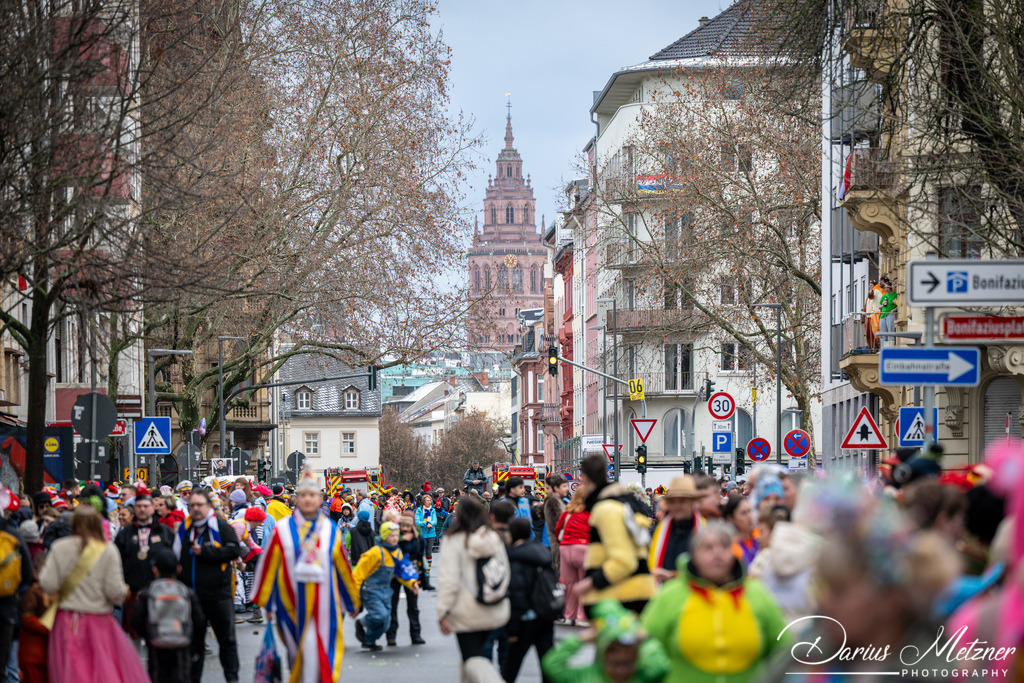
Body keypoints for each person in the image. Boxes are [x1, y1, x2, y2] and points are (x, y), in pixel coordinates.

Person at [641, 521, 787, 683]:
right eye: (708, 548)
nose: (717, 553)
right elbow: (645, 645)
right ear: (694, 555)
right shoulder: (671, 595)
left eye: (724, 546)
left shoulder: (757, 593)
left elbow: (783, 647)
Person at [252, 470, 357, 679]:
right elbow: (270, 565)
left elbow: (342, 568)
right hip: (290, 605)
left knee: (324, 655)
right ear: (296, 499)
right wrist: (267, 603)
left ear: (319, 499)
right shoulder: (281, 529)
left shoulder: (329, 529)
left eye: (312, 495)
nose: (308, 499)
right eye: (303, 495)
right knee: (299, 655)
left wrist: (351, 602)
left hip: (325, 606)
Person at [39, 505, 148, 681]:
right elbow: (115, 593)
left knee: (69, 672)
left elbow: (47, 583)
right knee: (100, 672)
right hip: (99, 621)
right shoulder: (108, 550)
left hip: (66, 621)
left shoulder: (59, 547)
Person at [435, 495, 511, 676]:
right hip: (495, 607)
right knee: (473, 662)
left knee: (473, 660)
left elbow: (449, 580)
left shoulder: (453, 540)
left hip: (466, 612)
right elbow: (505, 571)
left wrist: (442, 612)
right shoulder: (494, 537)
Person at [174, 488, 242, 682]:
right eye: (192, 505)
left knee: (227, 641)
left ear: (208, 506)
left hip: (218, 596)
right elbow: (175, 555)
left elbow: (233, 551)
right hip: (191, 597)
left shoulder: (221, 527)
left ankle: (232, 678)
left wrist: (205, 552)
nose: (195, 509)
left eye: (199, 505)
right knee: (193, 645)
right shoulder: (184, 529)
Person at [574, 454, 655, 616]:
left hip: (622, 600)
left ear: (585, 479)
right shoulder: (624, 503)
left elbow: (624, 561)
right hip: (633, 596)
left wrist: (590, 583)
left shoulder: (606, 508)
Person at [542, 600, 670, 683]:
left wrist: (644, 641)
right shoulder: (588, 677)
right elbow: (552, 665)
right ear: (603, 657)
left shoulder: (641, 677)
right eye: (614, 663)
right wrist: (579, 639)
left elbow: (661, 666)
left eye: (628, 663)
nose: (621, 670)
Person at [131, 547, 204, 683]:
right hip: (182, 643)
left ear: (155, 569)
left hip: (157, 644)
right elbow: (199, 620)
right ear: (178, 569)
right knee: (181, 675)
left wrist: (149, 635)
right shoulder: (185, 591)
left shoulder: (148, 592)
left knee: (158, 675)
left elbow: (137, 620)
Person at [114, 492, 175, 638]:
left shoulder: (165, 531)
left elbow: (174, 558)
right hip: (133, 590)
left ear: (153, 508)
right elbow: (117, 560)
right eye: (139, 506)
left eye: (146, 506)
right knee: (134, 633)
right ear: (134, 508)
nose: (142, 509)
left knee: (159, 633)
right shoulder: (125, 534)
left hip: (160, 589)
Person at [351, 520, 419, 651]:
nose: (394, 538)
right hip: (371, 590)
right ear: (384, 536)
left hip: (386, 591)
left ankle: (369, 640)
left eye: (396, 535)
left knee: (386, 623)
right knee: (380, 616)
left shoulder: (397, 552)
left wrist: (411, 583)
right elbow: (358, 574)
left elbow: (401, 573)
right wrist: (355, 594)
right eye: (391, 535)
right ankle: (362, 622)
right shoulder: (375, 552)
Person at [503, 517, 555, 682]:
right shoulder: (542, 552)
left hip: (525, 618)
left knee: (511, 666)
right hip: (545, 613)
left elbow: (517, 594)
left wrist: (512, 629)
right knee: (548, 663)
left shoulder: (516, 557)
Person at [648, 476, 705, 584]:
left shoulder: (706, 531)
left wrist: (672, 576)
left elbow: (710, 571)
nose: (677, 506)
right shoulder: (658, 531)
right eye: (673, 502)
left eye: (682, 501)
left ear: (692, 502)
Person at [387, 513, 425, 647]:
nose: (405, 528)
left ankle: (416, 635)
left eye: (408, 526)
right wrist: (403, 538)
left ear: (412, 526)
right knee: (393, 604)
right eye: (402, 525)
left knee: (413, 606)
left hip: (411, 573)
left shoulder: (418, 538)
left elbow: (421, 552)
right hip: (395, 574)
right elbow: (383, 541)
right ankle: (391, 636)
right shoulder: (395, 536)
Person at [555, 488, 590, 626]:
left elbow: (558, 529)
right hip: (583, 547)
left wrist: (563, 544)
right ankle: (582, 617)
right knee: (583, 583)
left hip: (565, 547)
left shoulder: (567, 512)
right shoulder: (590, 512)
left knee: (569, 585)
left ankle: (569, 615)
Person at [19, 554, 49, 683]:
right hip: (32, 653)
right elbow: (27, 619)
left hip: (46, 654)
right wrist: (49, 626)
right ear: (35, 574)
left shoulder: (53, 593)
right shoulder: (33, 593)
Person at [722, 493, 760, 568]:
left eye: (750, 511)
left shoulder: (761, 535)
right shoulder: (730, 547)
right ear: (730, 519)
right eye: (743, 513)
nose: (749, 517)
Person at [415, 492, 437, 590]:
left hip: (431, 533)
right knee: (422, 553)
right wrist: (426, 523)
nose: (430, 501)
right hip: (423, 533)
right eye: (428, 500)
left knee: (429, 552)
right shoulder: (419, 510)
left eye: (430, 500)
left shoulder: (433, 510)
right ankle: (422, 570)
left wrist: (431, 523)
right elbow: (417, 521)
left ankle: (428, 570)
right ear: (424, 501)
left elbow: (435, 521)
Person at [879, 277, 898, 346]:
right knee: (882, 334)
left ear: (890, 288)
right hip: (883, 315)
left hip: (890, 314)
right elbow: (879, 306)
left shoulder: (895, 294)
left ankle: (891, 348)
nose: (886, 289)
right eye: (885, 287)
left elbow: (899, 305)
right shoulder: (884, 296)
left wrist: (894, 309)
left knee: (890, 333)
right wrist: (883, 304)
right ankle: (883, 349)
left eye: (887, 287)